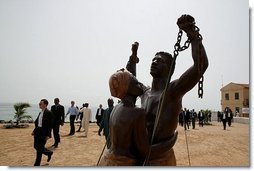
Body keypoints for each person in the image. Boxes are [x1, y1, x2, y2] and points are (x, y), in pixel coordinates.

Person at [126, 14, 208, 165]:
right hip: (140, 154)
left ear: (169, 69)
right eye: (153, 60)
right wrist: (133, 57)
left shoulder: (172, 92)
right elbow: (129, 81)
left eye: (160, 61)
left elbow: (199, 67)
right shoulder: (145, 92)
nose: (154, 62)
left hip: (161, 158)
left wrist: (192, 34)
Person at [98, 69, 177, 166]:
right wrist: (170, 141)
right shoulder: (137, 112)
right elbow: (146, 151)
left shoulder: (116, 109)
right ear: (127, 87)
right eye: (134, 81)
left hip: (108, 160)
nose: (139, 84)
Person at [32, 99, 53, 166]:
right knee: (36, 146)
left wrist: (48, 135)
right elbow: (38, 123)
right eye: (39, 103)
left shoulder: (48, 113)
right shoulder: (40, 112)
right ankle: (48, 153)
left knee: (39, 149)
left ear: (45, 105)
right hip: (37, 132)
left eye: (41, 103)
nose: (39, 104)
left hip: (43, 133)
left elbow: (50, 125)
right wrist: (34, 131)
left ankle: (37, 164)